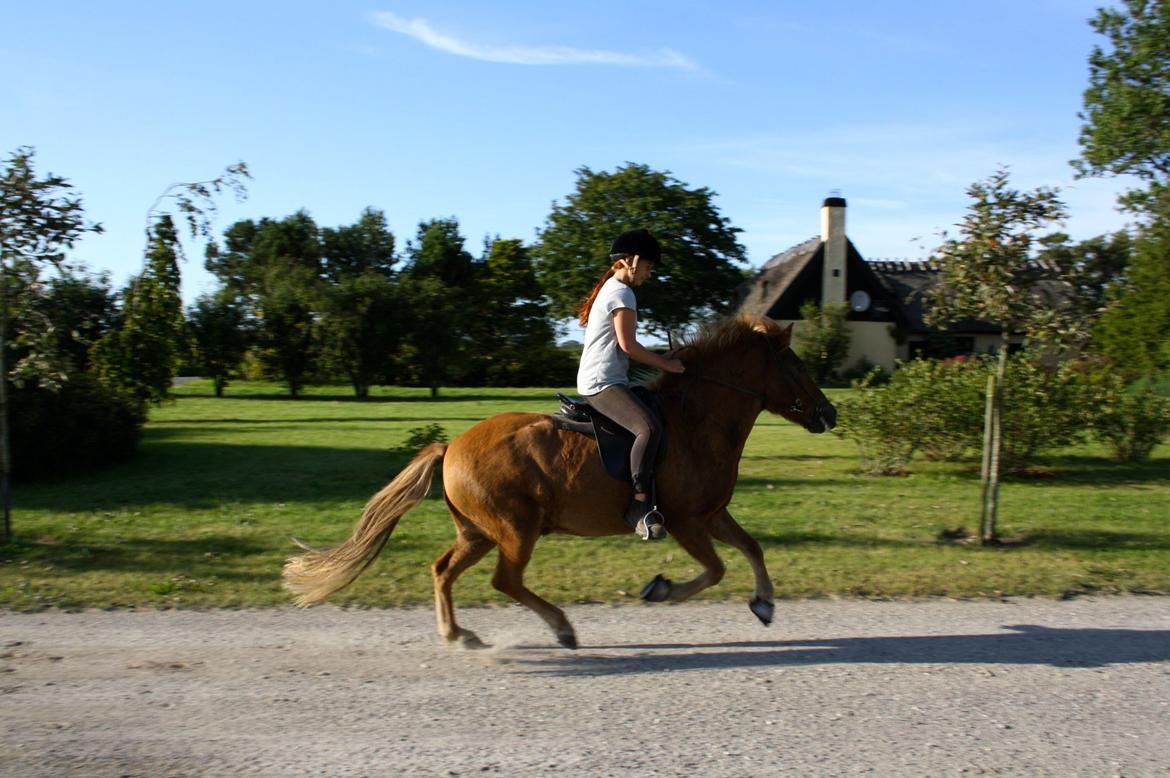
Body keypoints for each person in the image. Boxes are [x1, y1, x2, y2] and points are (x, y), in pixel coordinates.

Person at [576, 228, 685, 541]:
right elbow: (629, 346)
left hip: (609, 379)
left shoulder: (613, 289)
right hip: (602, 382)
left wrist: (663, 356)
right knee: (648, 429)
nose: (649, 275)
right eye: (648, 267)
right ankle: (639, 505)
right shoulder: (622, 294)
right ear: (629, 261)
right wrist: (667, 364)